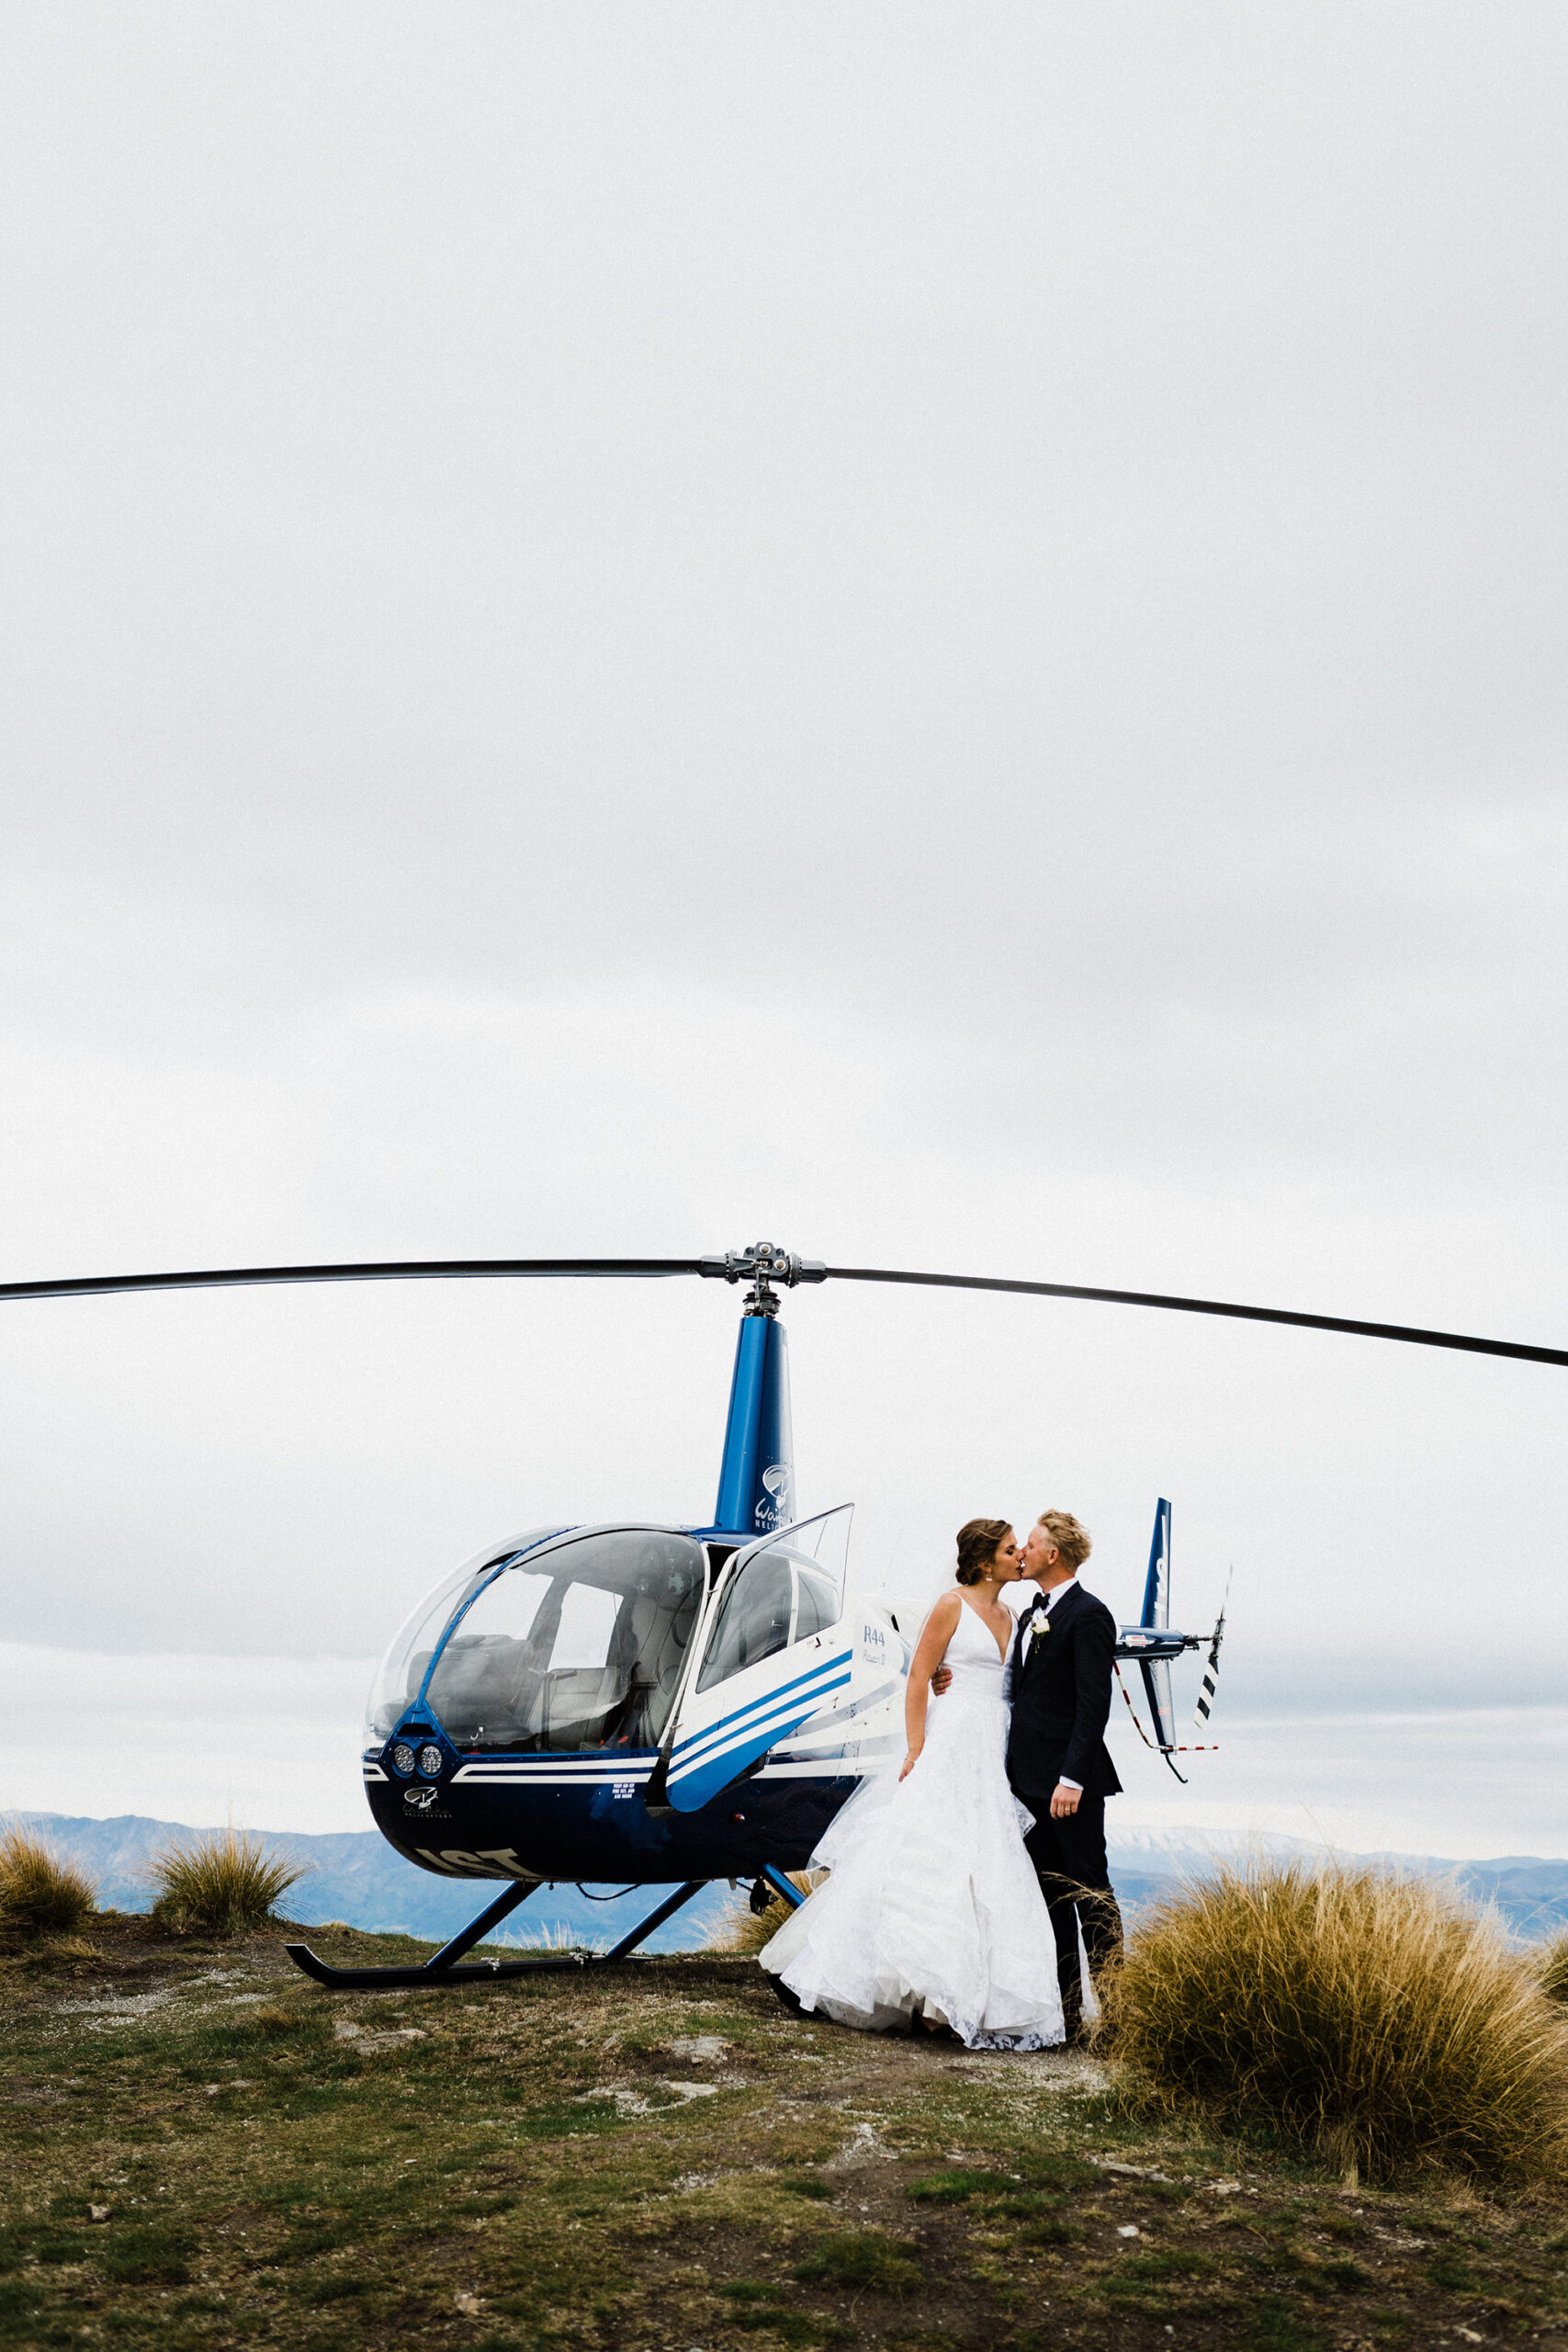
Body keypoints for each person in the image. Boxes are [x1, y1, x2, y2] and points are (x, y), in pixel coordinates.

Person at [760, 1520, 1064, 2049]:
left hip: (994, 1745)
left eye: (1020, 1550)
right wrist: (917, 1745)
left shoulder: (1015, 1615)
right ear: (983, 1560)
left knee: (983, 1859)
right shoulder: (951, 1605)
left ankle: (954, 1999)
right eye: (1010, 1550)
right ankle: (911, 1992)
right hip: (950, 1741)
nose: (1019, 1558)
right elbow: (920, 1675)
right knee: (928, 1856)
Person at [1003, 1510, 1124, 2044]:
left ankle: (1120, 2016)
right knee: (1051, 1898)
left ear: (1053, 1555)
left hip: (1069, 1785)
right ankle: (1069, 2016)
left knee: (1090, 1891)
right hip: (1028, 1783)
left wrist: (1072, 1778)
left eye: (1029, 1545)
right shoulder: (1033, 1611)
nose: (1021, 1553)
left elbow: (1092, 1705)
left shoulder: (1090, 1614)